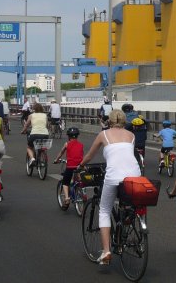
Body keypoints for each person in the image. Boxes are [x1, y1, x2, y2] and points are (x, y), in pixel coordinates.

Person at [77, 109, 139, 266]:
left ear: (108, 121)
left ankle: (106, 251)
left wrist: (81, 165)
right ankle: (129, 227)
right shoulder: (131, 136)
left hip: (113, 176)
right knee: (129, 205)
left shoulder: (103, 135)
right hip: (134, 176)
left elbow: (90, 155)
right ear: (125, 120)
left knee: (104, 210)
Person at [54, 127, 84, 206]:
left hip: (70, 166)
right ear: (77, 136)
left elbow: (61, 152)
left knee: (65, 182)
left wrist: (57, 159)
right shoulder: (81, 145)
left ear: (68, 136)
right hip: (79, 166)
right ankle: (81, 190)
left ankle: (67, 198)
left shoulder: (67, 144)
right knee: (79, 180)